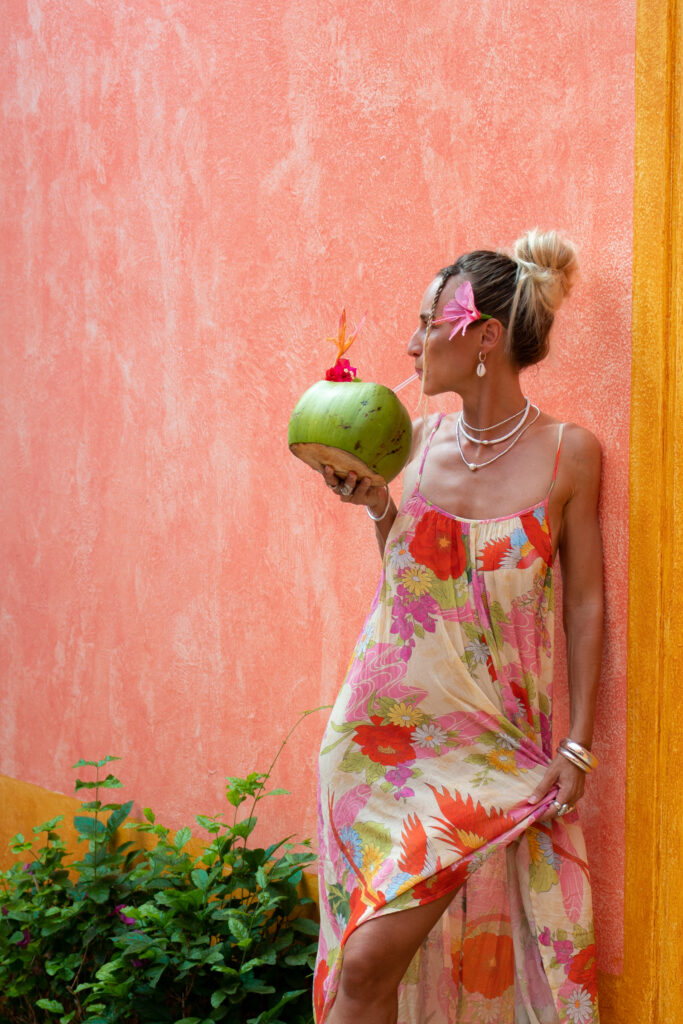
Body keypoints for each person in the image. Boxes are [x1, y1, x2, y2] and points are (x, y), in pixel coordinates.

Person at [314, 230, 603, 1024]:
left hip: (486, 747)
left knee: (369, 961)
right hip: (378, 741)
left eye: (423, 323)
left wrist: (577, 741)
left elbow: (584, 603)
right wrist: (377, 504)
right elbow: (411, 586)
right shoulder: (423, 441)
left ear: (480, 337)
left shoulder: (569, 454)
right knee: (360, 965)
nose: (409, 344)